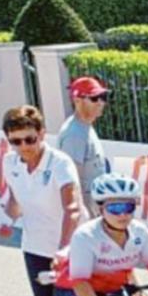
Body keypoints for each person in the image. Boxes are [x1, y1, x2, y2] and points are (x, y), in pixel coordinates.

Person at [1, 105, 83, 296]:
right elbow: (15, 200)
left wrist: (64, 249)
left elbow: (72, 209)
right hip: (35, 248)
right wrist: (6, 220)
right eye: (16, 141)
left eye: (30, 139)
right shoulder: (9, 162)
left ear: (42, 134)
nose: (24, 146)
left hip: (72, 249)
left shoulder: (60, 163)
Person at [56, 76, 110, 217]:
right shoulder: (74, 134)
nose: (100, 103)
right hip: (87, 214)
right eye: (94, 98)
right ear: (77, 101)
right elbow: (72, 180)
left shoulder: (85, 127)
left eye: (103, 97)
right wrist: (82, 216)